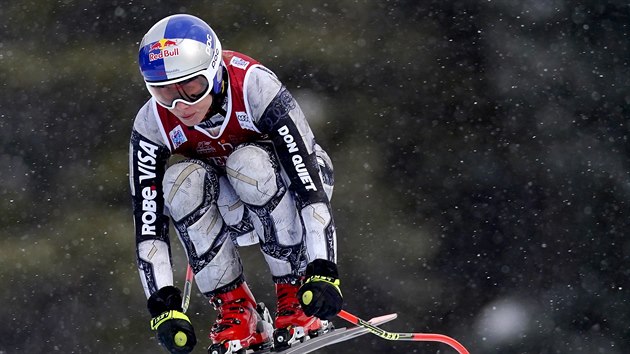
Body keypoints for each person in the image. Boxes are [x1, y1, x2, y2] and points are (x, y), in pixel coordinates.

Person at [129, 14, 343, 354]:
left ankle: (294, 290)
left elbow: (309, 184)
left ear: (214, 72)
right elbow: (149, 223)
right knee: (180, 180)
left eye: (191, 87)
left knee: (248, 162)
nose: (180, 105)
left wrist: (323, 267)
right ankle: (236, 309)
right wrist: (163, 305)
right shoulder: (152, 122)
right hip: (231, 204)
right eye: (163, 91)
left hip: (296, 182)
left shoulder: (254, 86)